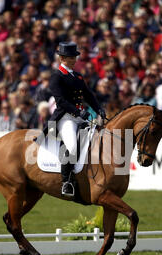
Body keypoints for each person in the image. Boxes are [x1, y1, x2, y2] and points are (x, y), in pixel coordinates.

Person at [45, 42, 106, 197]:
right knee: (72, 147)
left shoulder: (77, 76)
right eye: (69, 57)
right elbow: (61, 102)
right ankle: (66, 181)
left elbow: (88, 94)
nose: (73, 59)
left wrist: (98, 108)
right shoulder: (56, 76)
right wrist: (79, 113)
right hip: (65, 118)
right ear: (62, 58)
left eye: (74, 57)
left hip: (79, 116)